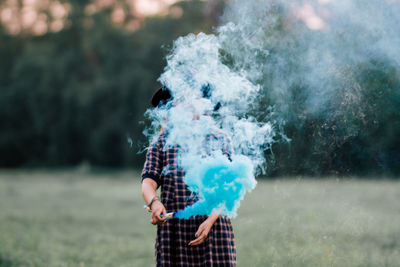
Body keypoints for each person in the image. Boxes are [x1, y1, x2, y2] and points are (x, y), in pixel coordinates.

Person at [141, 86, 236, 266]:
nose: (188, 103)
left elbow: (227, 189)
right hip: (174, 233)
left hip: (214, 230)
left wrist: (210, 221)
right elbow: (148, 181)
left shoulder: (220, 139)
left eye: (194, 96)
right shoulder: (161, 144)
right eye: (180, 99)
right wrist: (154, 203)